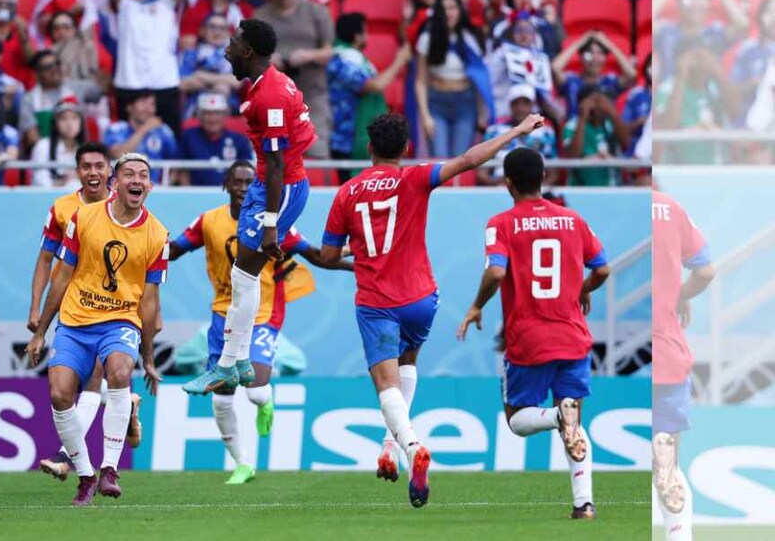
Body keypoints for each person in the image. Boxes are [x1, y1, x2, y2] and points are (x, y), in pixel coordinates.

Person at [318, 111, 543, 507]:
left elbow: (329, 254)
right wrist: (518, 130)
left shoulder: (346, 192)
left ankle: (411, 448)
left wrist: (361, 256)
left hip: (377, 302)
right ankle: (389, 448)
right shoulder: (415, 177)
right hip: (422, 298)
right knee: (407, 365)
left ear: (369, 149)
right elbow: (471, 159)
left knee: (386, 384)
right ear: (405, 148)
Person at [170, 161, 351, 484]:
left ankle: (265, 403)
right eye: (236, 182)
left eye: (249, 182)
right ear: (226, 184)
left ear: (258, 187)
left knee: (254, 389)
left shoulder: (274, 223)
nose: (242, 188)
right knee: (222, 394)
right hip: (223, 312)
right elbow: (173, 251)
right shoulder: (208, 221)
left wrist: (357, 265)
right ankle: (242, 464)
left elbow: (315, 255)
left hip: (263, 313)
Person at [457, 146, 611, 519]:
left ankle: (558, 417)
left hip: (529, 338)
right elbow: (603, 268)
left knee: (516, 419)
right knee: (575, 418)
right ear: (544, 178)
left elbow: (496, 272)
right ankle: (584, 504)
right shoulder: (573, 220)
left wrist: (477, 305)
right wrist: (583, 290)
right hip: (574, 336)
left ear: (507, 183)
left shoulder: (502, 223)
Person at [182, 18, 315, 394]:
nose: (227, 47)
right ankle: (237, 359)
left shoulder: (268, 97)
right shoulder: (264, 85)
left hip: (282, 185)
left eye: (234, 42)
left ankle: (228, 363)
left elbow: (276, 163)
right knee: (244, 273)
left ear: (249, 52)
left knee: (244, 274)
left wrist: (272, 222)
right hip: (266, 182)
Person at [27, 153, 167, 506]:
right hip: (75, 321)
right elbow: (61, 275)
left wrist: (148, 358)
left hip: (120, 320)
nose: (137, 180)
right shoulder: (83, 217)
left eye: (144, 176)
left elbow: (149, 301)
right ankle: (85, 475)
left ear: (149, 186)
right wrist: (41, 330)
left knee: (120, 370)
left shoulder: (158, 235)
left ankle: (110, 470)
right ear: (115, 184)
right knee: (60, 394)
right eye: (130, 174)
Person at [651, 189, 714, 541]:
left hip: (637, 360)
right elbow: (705, 270)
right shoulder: (669, 206)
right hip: (668, 354)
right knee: (669, 463)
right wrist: (679, 296)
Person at [255, 0, 333, 160]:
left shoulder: (316, 11)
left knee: (316, 148)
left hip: (311, 91)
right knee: (275, 152)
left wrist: (308, 55)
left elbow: (329, 51)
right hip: (275, 94)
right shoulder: (261, 15)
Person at [327, 12, 411, 181]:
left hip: (359, 136)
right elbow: (373, 86)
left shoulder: (356, 59)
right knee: (351, 191)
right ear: (357, 36)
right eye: (365, 32)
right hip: (347, 138)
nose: (367, 37)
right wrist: (399, 61)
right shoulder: (342, 60)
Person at [110, 0, 186, 135]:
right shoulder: (125, 4)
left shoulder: (167, 0)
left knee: (170, 144)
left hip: (164, 82)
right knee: (127, 147)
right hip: (130, 82)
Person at [415, 0, 489, 158]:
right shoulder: (427, 38)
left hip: (465, 103)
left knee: (460, 161)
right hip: (437, 102)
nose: (449, 13)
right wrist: (425, 115)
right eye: (444, 8)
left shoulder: (470, 38)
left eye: (453, 8)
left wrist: (481, 112)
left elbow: (478, 78)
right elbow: (420, 80)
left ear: (460, 10)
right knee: (440, 161)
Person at [653, 0, 747, 81]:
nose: (695, 3)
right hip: (670, 95)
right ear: (678, 2)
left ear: (708, 4)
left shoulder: (715, 33)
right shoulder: (666, 32)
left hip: (709, 96)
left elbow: (742, 23)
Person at [477, 84, 558, 186]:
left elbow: (553, 174)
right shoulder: (494, 131)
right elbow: (482, 174)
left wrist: (536, 191)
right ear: (510, 105)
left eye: (525, 103)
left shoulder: (546, 133)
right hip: (500, 188)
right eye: (516, 103)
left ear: (533, 105)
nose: (520, 108)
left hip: (535, 190)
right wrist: (499, 184)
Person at [553, 32, 636, 119]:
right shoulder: (571, 80)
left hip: (604, 131)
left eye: (600, 53)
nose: (594, 58)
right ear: (581, 56)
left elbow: (631, 73)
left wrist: (610, 46)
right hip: (575, 130)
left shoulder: (609, 82)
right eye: (589, 53)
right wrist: (580, 42)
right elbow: (555, 67)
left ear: (605, 58)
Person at [177, 93, 252, 186]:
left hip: (230, 196)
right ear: (199, 116)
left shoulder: (239, 141)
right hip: (196, 195)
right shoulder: (188, 137)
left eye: (217, 113)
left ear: (225, 115)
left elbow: (247, 174)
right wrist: (188, 195)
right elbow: (182, 171)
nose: (212, 119)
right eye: (207, 114)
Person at [103, 92, 178, 182]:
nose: (149, 109)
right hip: (120, 190)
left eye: (152, 104)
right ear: (129, 107)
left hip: (155, 191)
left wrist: (167, 186)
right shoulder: (116, 129)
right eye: (143, 103)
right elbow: (118, 155)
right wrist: (144, 129)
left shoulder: (163, 131)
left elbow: (176, 163)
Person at [179, 13, 241, 120]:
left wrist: (201, 76)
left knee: (222, 88)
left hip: (229, 110)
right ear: (202, 31)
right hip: (195, 110)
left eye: (222, 28)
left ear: (228, 33)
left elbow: (237, 82)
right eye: (212, 27)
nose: (217, 32)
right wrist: (220, 81)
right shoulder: (190, 54)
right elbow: (182, 83)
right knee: (222, 86)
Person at [563, 86, 629, 186]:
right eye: (598, 101)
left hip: (613, 188)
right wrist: (583, 116)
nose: (603, 105)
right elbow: (573, 155)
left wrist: (613, 114)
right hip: (583, 189)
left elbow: (626, 143)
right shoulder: (572, 125)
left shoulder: (610, 123)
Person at [19, 50, 77, 153]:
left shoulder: (75, 89)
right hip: (45, 154)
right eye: (47, 67)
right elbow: (32, 137)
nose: (54, 69)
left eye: (56, 64)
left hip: (75, 151)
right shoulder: (29, 99)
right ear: (36, 74)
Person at [46, 10, 106, 104]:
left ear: (74, 30)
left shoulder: (86, 47)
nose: (61, 32)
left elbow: (96, 76)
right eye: (56, 28)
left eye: (66, 27)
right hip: (56, 94)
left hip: (86, 92)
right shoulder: (47, 53)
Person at [30, 97, 87, 188]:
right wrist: (64, 181)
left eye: (74, 118)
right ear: (55, 123)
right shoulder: (43, 146)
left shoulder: (88, 149)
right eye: (64, 119)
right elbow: (41, 182)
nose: (70, 124)